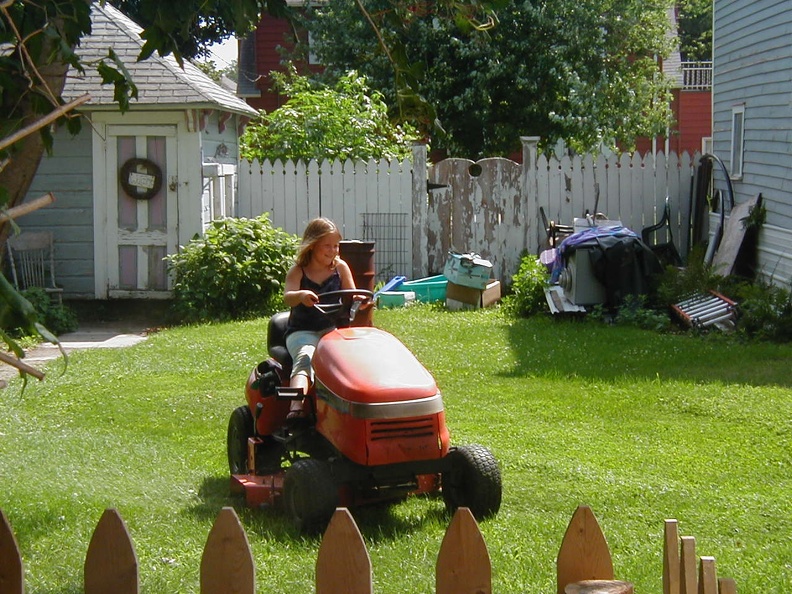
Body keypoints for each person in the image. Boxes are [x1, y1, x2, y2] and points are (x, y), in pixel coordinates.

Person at [283, 217, 357, 419]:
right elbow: (287, 297)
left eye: (336, 246)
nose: (333, 251)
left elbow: (351, 293)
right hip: (303, 332)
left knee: (352, 361)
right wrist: (300, 295)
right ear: (312, 245)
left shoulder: (340, 268)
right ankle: (295, 408)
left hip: (332, 331)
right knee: (305, 358)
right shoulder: (299, 271)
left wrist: (359, 298)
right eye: (327, 246)